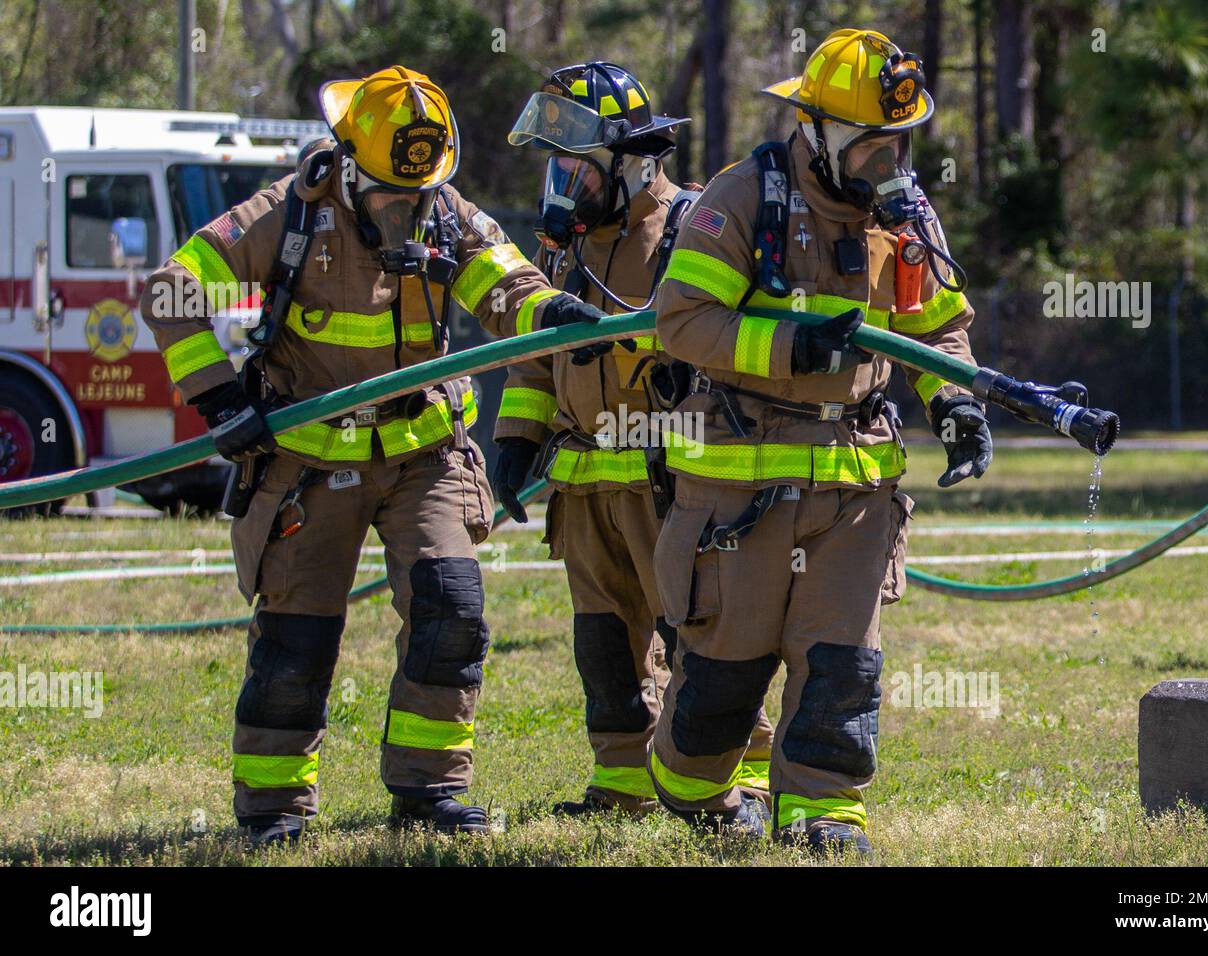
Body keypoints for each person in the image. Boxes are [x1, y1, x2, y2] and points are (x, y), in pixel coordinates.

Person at [141, 66, 562, 845]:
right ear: (348, 167)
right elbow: (171, 289)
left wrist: (552, 309)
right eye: (390, 200)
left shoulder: (442, 209)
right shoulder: (289, 214)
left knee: (452, 612)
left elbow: (507, 286)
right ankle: (272, 809)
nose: (408, 215)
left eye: (419, 198)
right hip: (310, 461)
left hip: (422, 453)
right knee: (297, 640)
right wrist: (220, 400)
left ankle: (430, 790)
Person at [646, 29, 994, 853]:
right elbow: (680, 322)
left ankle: (825, 816)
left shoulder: (905, 216)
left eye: (899, 142)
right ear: (816, 130)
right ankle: (689, 780)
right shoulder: (740, 200)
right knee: (724, 686)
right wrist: (791, 348)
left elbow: (937, 328)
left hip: (855, 487)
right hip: (739, 490)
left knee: (842, 665)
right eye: (871, 144)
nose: (889, 161)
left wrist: (955, 405)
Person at [491, 62, 776, 817]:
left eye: (573, 167)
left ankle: (740, 775)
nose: (559, 182)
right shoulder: (567, 248)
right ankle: (620, 780)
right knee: (605, 644)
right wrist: (517, 436)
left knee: (700, 638)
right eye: (553, 165)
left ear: (629, 160)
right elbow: (535, 361)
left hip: (671, 478)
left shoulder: (691, 229)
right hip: (584, 485)